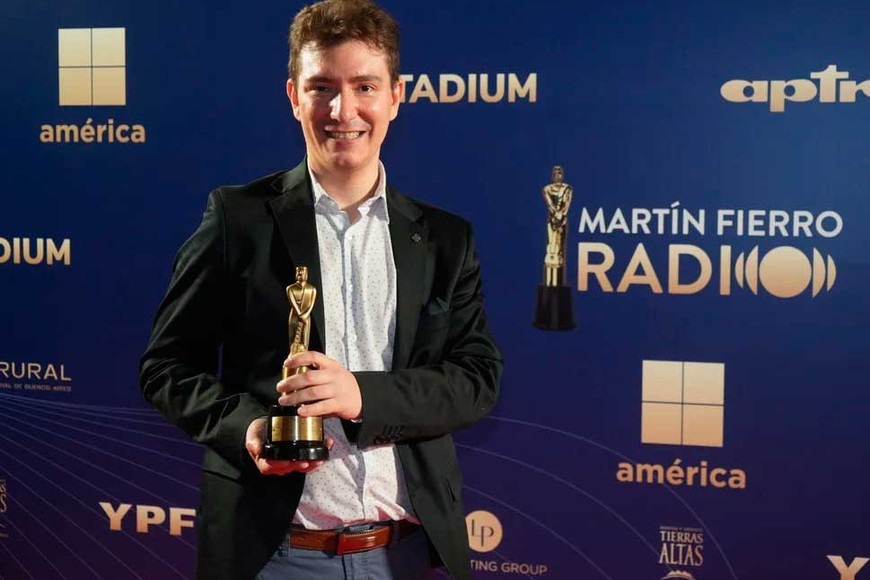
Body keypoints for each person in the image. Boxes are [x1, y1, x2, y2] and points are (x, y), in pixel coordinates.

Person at [138, 1, 502, 579]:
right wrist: (248, 428)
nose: (343, 110)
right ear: (293, 96)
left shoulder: (445, 239)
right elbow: (167, 367)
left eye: (364, 86)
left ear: (396, 97)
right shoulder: (238, 219)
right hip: (274, 556)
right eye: (322, 88)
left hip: (404, 553)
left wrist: (362, 396)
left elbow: (476, 380)